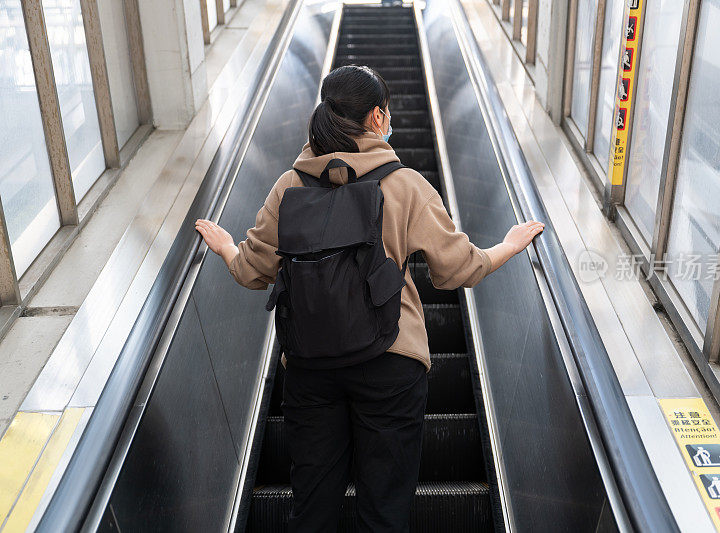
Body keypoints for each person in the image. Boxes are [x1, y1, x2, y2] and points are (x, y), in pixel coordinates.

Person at [195, 65, 543, 532]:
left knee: (311, 510)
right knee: (384, 512)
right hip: (391, 362)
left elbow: (254, 271)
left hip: (310, 367)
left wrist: (227, 249)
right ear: (378, 118)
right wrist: (508, 245)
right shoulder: (405, 185)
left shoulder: (290, 185)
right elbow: (457, 270)